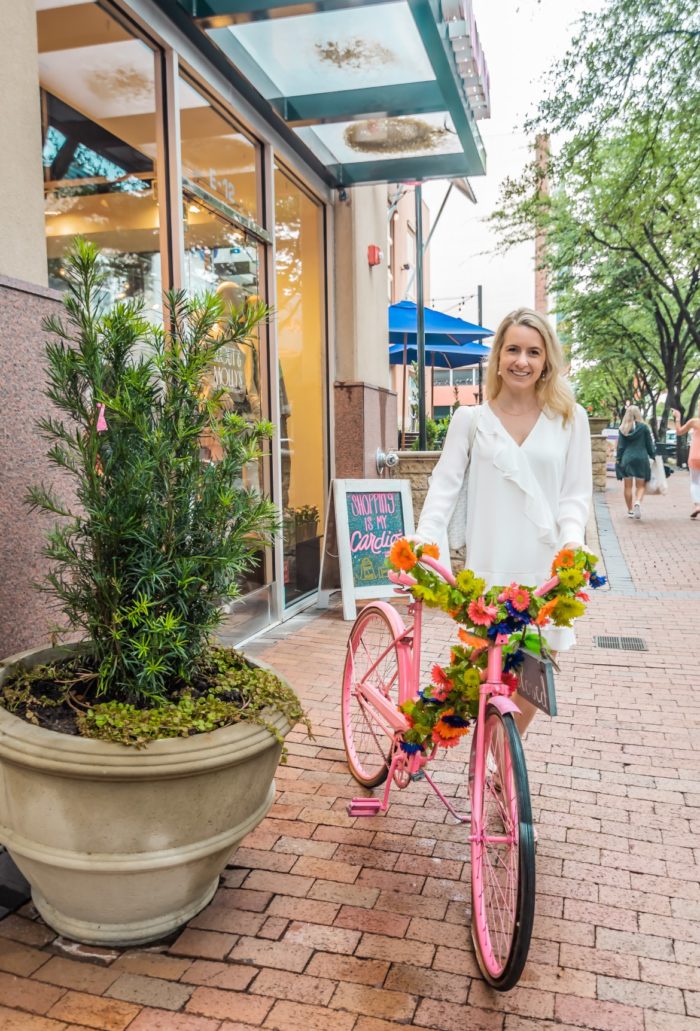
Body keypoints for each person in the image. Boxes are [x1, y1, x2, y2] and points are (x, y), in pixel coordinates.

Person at [416, 307, 592, 738]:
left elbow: (575, 494)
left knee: (535, 677)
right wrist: (424, 542)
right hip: (489, 564)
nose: (522, 360)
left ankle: (505, 754)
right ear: (497, 357)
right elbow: (444, 487)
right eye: (513, 349)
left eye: (533, 351)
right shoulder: (470, 421)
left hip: (545, 569)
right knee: (484, 676)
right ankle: (491, 753)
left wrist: (572, 542)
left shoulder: (571, 419)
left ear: (546, 360)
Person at [615, 406, 656, 519]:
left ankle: (630, 510)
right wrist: (653, 455)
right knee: (640, 486)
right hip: (641, 459)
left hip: (627, 459)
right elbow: (649, 445)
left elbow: (621, 447)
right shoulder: (644, 427)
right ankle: (637, 502)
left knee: (627, 487)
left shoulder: (623, 428)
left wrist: (618, 459)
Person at [672, 405, 700, 518]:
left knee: (695, 482)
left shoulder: (694, 422)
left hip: (694, 456)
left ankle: (697, 505)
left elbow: (679, 432)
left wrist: (677, 417)